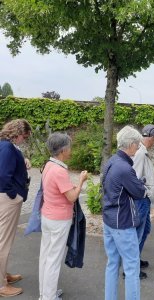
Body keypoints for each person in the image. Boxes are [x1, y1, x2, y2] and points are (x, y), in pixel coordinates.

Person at [38, 133, 88, 300]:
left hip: (47, 215)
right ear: (63, 150)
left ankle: (45, 293)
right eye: (69, 147)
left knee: (45, 256)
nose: (71, 150)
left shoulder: (48, 165)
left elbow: (58, 189)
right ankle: (49, 297)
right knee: (53, 258)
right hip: (59, 219)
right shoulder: (60, 170)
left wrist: (73, 185)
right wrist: (81, 181)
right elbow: (72, 197)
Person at [102, 126, 146, 300]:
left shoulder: (111, 161)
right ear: (131, 144)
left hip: (109, 220)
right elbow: (140, 192)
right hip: (123, 223)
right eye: (137, 144)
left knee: (112, 264)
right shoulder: (125, 168)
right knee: (132, 267)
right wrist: (140, 184)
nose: (138, 147)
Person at [0, 119, 31, 298]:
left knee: (4, 240)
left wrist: (23, 160)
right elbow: (3, 175)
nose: (24, 140)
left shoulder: (6, 146)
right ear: (17, 133)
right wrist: (15, 195)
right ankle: (1, 285)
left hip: (5, 198)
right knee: (3, 242)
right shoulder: (6, 147)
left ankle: (3, 275)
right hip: (7, 199)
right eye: (24, 136)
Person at [132, 124, 154, 280]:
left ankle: (135, 260)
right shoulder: (140, 154)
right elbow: (135, 178)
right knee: (138, 233)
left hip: (145, 200)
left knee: (145, 230)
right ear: (150, 137)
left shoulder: (142, 152)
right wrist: (144, 194)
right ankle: (131, 269)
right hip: (141, 200)